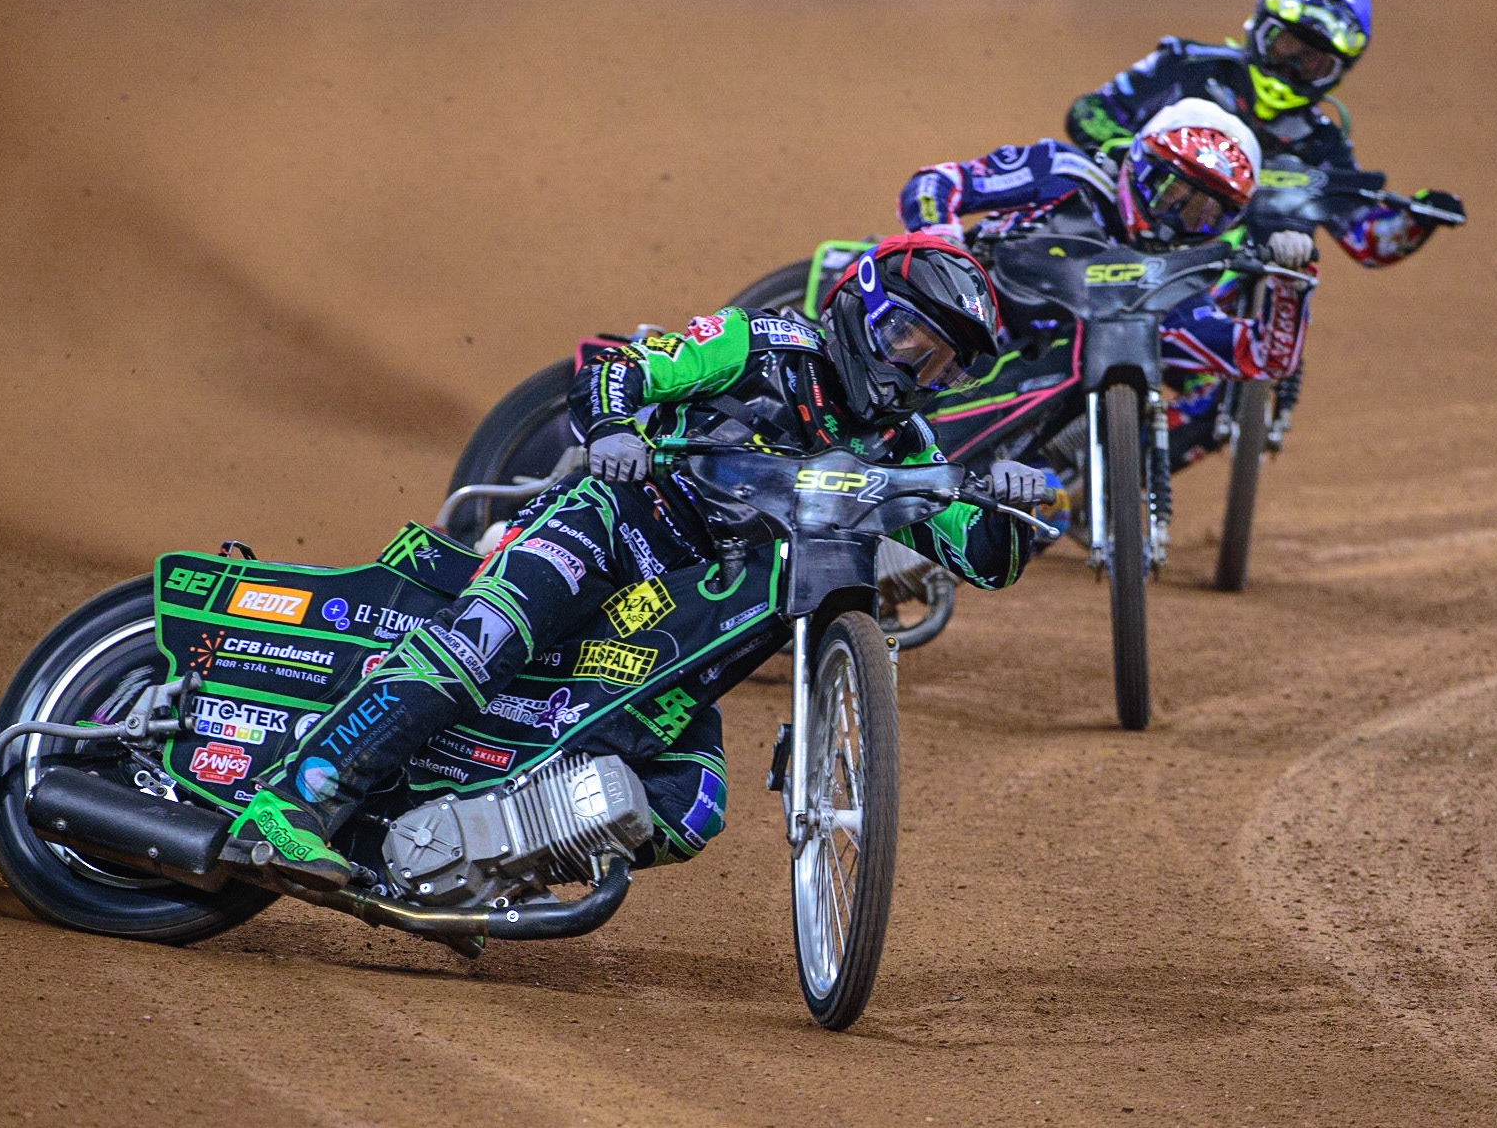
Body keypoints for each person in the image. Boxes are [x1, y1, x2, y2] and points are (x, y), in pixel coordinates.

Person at [221, 234, 1049, 891]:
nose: (917, 373)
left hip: (684, 616)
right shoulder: (758, 341)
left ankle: (465, 865)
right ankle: (288, 804)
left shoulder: (902, 444)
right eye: (912, 341)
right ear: (864, 309)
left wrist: (1010, 499)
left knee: (689, 804)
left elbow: (981, 554)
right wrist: (615, 430)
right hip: (606, 528)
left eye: (941, 364)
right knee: (476, 648)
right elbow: (619, 365)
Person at [900, 99, 1305, 412]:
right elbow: (937, 182)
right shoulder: (1064, 171)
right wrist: (943, 243)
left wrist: (1291, 283)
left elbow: (1262, 355)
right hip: (952, 339)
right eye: (1170, 194)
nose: (1174, 221)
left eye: (1203, 215)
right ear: (1139, 163)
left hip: (1026, 423)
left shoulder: (1174, 289)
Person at [1063, 0, 1463, 273]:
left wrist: (1420, 217)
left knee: (1292, 269)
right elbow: (1090, 110)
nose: (1292, 66)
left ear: (1336, 73)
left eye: (1312, 62)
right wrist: (1124, 149)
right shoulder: (1187, 64)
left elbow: (1366, 239)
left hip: (1224, 282)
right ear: (1260, 31)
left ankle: (1248, 372)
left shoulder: (1320, 140)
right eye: (1287, 45)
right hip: (1123, 240)